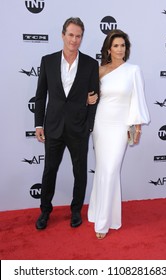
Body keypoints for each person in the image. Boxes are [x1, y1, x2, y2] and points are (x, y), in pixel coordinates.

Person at [34, 17, 99, 230]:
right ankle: (45, 211)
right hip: (52, 127)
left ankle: (75, 211)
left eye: (78, 36)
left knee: (80, 171)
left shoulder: (90, 64)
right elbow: (41, 96)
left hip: (78, 127)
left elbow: (94, 97)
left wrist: (88, 125)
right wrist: (38, 125)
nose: (74, 40)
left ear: (82, 38)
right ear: (63, 35)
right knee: (49, 170)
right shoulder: (48, 61)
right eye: (70, 35)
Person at [87, 29, 150, 239]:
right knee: (103, 169)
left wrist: (137, 127)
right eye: (116, 46)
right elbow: (91, 97)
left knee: (111, 170)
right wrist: (88, 100)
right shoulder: (100, 70)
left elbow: (137, 99)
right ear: (108, 49)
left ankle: (104, 222)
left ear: (126, 48)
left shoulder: (133, 70)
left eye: (123, 45)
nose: (120, 49)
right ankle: (98, 213)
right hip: (101, 125)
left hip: (121, 126)